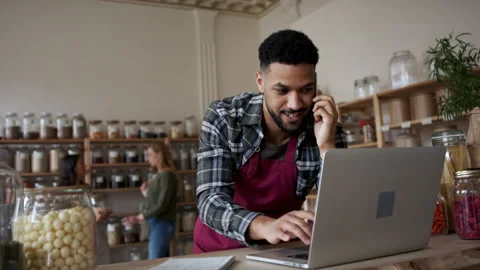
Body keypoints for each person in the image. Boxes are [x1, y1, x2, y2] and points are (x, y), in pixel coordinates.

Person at [193, 29, 348, 253]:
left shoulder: (327, 126)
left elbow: (340, 212)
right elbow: (210, 201)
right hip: (218, 249)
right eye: (282, 90)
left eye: (305, 89)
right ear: (260, 82)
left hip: (283, 250)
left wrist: (326, 147)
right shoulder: (224, 117)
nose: (295, 104)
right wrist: (264, 225)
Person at [122, 143, 177, 259]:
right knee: (161, 262)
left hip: (163, 223)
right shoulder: (159, 175)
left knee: (154, 260)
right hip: (155, 222)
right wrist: (146, 192)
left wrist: (139, 217)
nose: (148, 158)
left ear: (159, 155)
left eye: (150, 154)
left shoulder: (167, 175)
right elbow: (155, 200)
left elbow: (162, 205)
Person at [59, 154, 112, 265]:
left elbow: (93, 204)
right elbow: (63, 215)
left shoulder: (85, 187)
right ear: (72, 167)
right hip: (75, 237)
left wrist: (101, 211)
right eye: (81, 163)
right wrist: (92, 212)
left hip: (94, 231)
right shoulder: (61, 191)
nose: (85, 166)